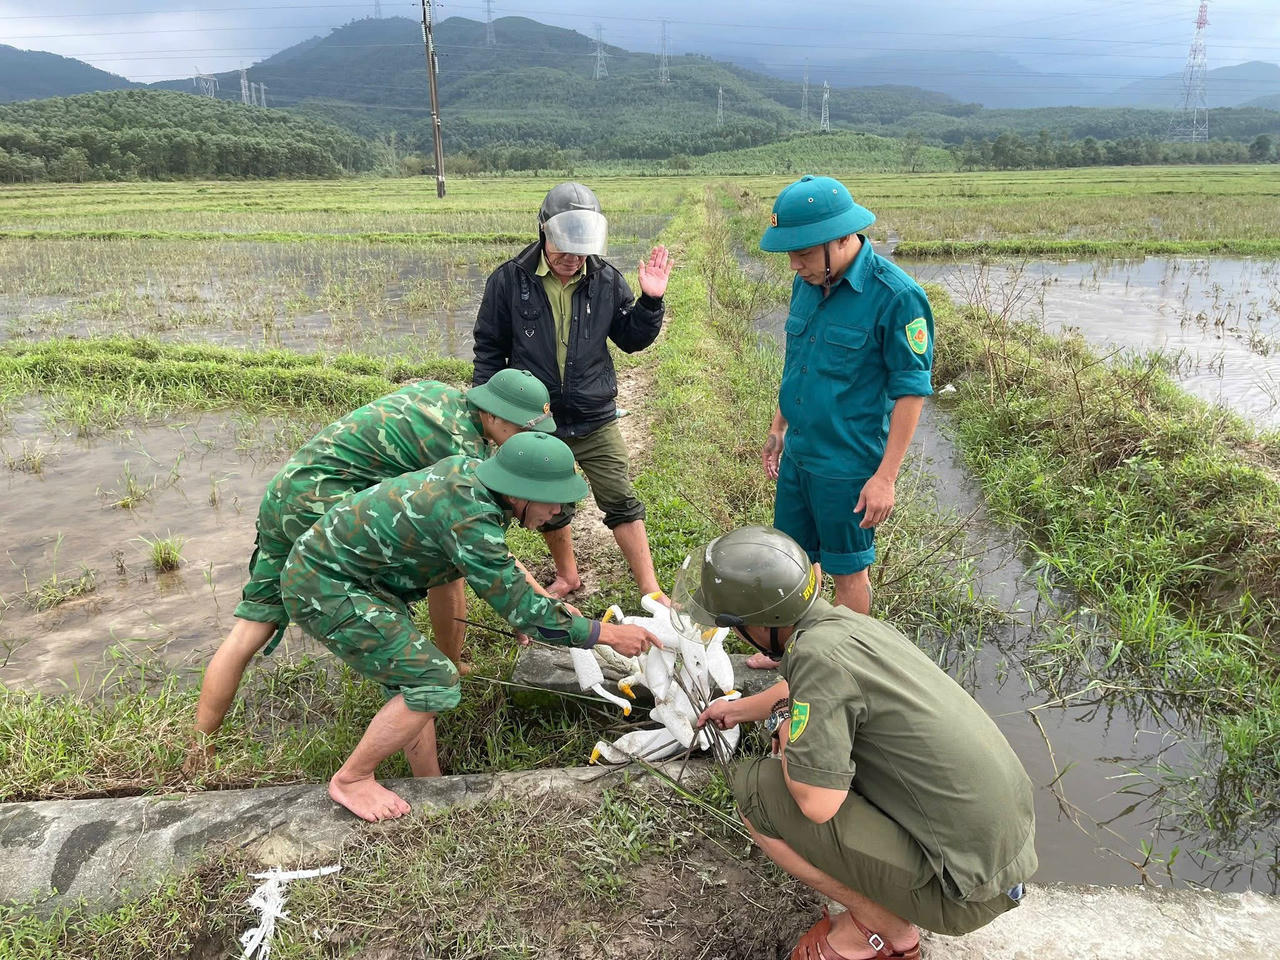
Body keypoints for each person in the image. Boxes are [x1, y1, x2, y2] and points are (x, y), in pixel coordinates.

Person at [685, 527, 1036, 960]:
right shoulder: (844, 626)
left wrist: (782, 722)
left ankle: (883, 930)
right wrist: (743, 709)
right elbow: (810, 685)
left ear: (760, 625)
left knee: (757, 789)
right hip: (1004, 858)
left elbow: (817, 803)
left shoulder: (816, 659)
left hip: (962, 895)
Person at [280, 431, 662, 822]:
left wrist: (536, 604)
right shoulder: (470, 515)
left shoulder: (473, 478)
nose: (559, 511)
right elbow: (519, 603)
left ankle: (429, 787)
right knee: (435, 681)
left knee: (412, 682)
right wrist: (609, 634)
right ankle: (352, 779)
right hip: (326, 586)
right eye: (554, 501)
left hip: (353, 577)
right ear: (521, 491)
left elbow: (498, 564)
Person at [187, 369, 555, 764]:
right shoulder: (459, 448)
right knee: (397, 626)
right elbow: (475, 543)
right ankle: (426, 697)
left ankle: (198, 749)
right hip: (323, 504)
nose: (529, 440)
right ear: (495, 416)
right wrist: (531, 600)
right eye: (524, 429)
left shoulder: (442, 396)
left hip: (285, 493)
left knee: (251, 627)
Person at [754, 175, 934, 668]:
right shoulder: (807, 283)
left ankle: (845, 666)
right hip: (800, 457)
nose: (794, 264)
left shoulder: (896, 297)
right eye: (788, 254)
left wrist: (885, 478)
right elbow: (798, 363)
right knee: (794, 561)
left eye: (804, 253)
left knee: (847, 571)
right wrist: (778, 427)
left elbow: (911, 391)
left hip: (847, 466)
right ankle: (791, 652)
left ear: (842, 238)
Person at [473, 181, 672, 601]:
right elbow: (489, 348)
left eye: (581, 248)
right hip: (536, 416)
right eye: (564, 247)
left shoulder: (605, 279)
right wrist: (487, 413)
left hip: (594, 414)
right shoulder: (510, 280)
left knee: (620, 498)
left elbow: (631, 339)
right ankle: (568, 576)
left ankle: (651, 590)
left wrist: (650, 303)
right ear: (544, 230)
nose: (572, 258)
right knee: (549, 501)